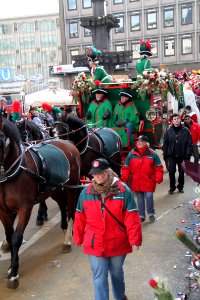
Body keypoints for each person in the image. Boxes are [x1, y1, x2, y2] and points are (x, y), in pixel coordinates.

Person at [73, 158, 142, 300]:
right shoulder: (85, 192)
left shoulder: (123, 190)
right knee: (99, 276)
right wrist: (78, 237)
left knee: (116, 272)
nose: (98, 176)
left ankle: (120, 297)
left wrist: (135, 238)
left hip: (117, 241)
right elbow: (80, 217)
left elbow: (132, 217)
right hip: (95, 242)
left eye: (101, 173)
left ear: (108, 172)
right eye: (95, 174)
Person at [121, 135, 163, 222]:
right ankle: (141, 215)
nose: (139, 143)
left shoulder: (152, 154)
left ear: (145, 143)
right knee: (139, 199)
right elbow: (126, 167)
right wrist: (124, 177)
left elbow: (158, 167)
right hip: (137, 181)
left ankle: (151, 213)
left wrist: (158, 177)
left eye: (141, 141)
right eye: (138, 141)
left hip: (148, 180)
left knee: (149, 196)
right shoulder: (131, 154)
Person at [163, 113, 193, 194]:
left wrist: (188, 154)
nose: (176, 120)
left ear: (180, 120)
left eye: (178, 118)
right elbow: (165, 144)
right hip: (172, 155)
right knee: (171, 171)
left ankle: (180, 187)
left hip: (182, 155)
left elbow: (189, 144)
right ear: (172, 121)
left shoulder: (186, 131)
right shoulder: (168, 132)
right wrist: (165, 154)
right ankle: (172, 187)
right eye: (174, 119)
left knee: (181, 172)